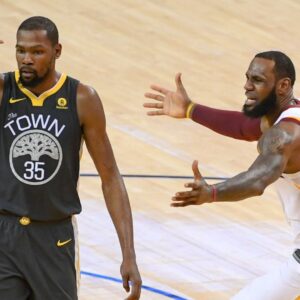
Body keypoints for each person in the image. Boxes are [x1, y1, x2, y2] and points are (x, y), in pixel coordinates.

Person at [0, 16, 141, 299]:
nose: (26, 59)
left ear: (57, 51)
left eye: (37, 51)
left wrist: (128, 254)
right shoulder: (4, 89)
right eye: (21, 50)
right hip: (5, 235)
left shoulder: (81, 98)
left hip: (55, 236)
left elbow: (110, 177)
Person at [144, 51, 300, 299]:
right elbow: (243, 126)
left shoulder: (286, 134)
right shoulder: (285, 118)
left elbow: (257, 180)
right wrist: (190, 110)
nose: (247, 86)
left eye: (257, 80)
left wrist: (213, 193)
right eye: (247, 78)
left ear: (283, 86)